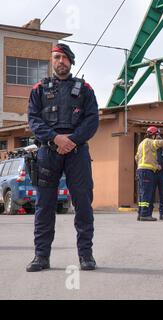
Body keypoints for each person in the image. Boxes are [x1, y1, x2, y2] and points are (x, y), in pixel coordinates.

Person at [26, 43, 99, 272]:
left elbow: (92, 120)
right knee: (44, 206)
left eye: (63, 58)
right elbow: (34, 120)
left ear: (70, 61)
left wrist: (72, 140)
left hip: (77, 152)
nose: (59, 61)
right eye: (56, 57)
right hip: (48, 152)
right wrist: (56, 139)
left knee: (83, 204)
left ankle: (86, 256)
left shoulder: (85, 89)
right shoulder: (39, 89)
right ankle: (41, 257)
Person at [135, 126, 163, 222]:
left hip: (141, 170)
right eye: (156, 134)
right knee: (147, 194)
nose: (157, 137)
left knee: (142, 194)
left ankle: (140, 214)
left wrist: (152, 165)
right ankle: (145, 215)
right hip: (147, 171)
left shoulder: (141, 144)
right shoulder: (150, 142)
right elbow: (159, 142)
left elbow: (136, 157)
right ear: (153, 135)